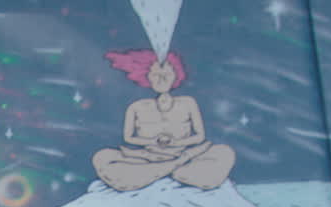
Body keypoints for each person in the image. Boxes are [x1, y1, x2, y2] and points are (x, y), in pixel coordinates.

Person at [92, 49, 235, 192]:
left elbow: (199, 136)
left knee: (224, 153)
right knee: (102, 158)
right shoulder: (136, 107)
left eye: (167, 74)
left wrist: (178, 143)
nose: (161, 79)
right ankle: (173, 168)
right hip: (146, 159)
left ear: (176, 75)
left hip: (186, 155)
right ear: (147, 76)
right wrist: (153, 141)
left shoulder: (188, 103)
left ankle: (161, 172)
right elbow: (129, 138)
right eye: (155, 75)